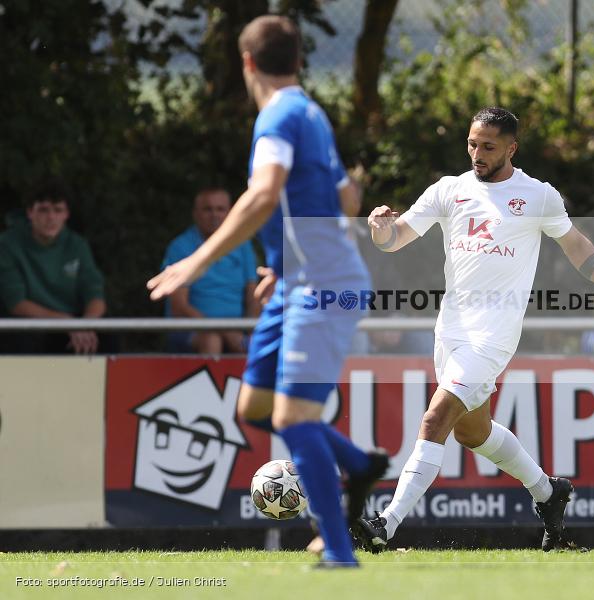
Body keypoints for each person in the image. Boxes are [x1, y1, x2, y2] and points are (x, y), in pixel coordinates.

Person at [147, 15, 386, 568]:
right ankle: (357, 461)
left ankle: (341, 552)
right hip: (299, 281)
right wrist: (289, 256)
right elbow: (347, 199)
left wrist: (196, 262)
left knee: (292, 419)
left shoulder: (278, 116)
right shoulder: (310, 113)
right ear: (298, 60)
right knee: (253, 406)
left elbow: (264, 193)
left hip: (321, 286)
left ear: (246, 63)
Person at [356, 107, 594, 552]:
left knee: (435, 418)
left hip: (492, 338)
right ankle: (549, 493)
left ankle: (385, 524)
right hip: (449, 332)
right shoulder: (448, 190)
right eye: (472, 143)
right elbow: (397, 238)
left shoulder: (537, 196)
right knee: (472, 432)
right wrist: (380, 230)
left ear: (511, 148)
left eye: (488, 146)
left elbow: (576, 245)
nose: (477, 153)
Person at [0, 183, 108, 354]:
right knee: (20, 338)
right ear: (30, 212)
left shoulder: (78, 245)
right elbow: (16, 303)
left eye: (57, 210)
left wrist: (86, 324)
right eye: (43, 210)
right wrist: (66, 322)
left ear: (66, 214)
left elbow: (95, 294)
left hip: (71, 326)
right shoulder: (8, 244)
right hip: (30, 326)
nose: (51, 217)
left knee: (107, 337)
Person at [162, 188, 259, 354]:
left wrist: (252, 334)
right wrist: (224, 330)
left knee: (259, 343)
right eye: (208, 209)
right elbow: (179, 306)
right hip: (190, 329)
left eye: (220, 209)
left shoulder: (243, 246)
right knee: (211, 339)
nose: (214, 215)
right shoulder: (180, 247)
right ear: (195, 214)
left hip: (236, 330)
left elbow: (253, 297)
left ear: (230, 213)